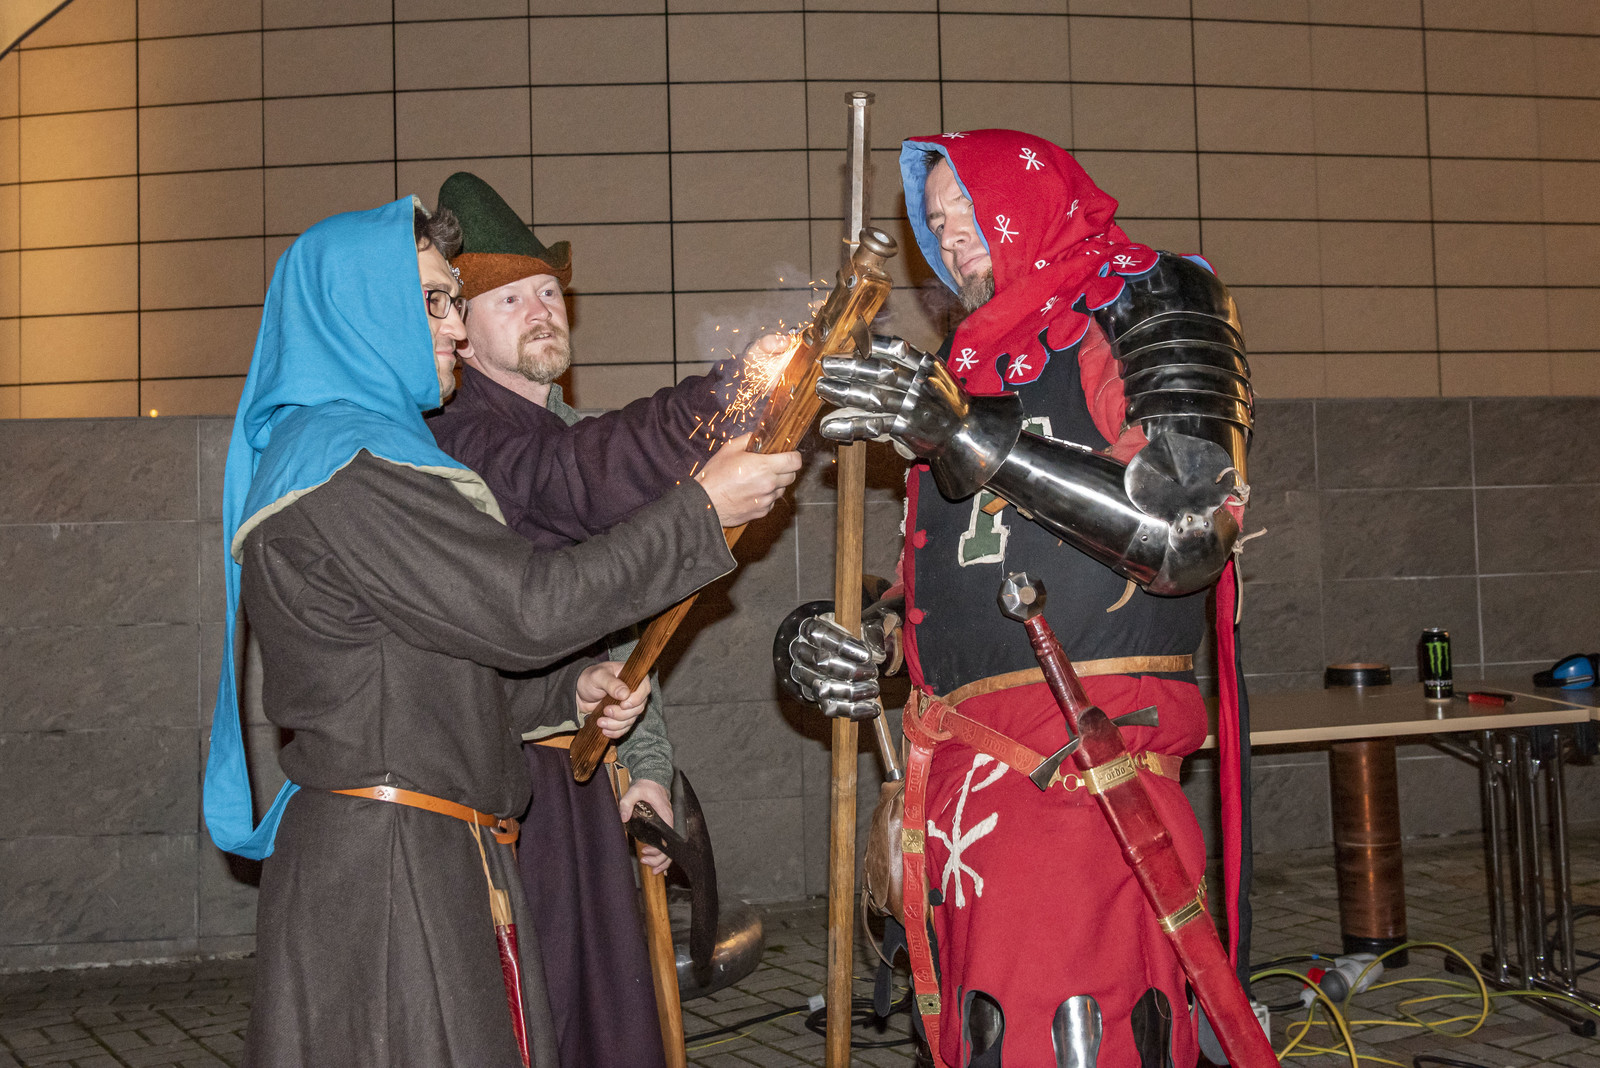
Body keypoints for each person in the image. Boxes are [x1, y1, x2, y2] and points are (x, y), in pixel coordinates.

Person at [203, 195, 796, 1067]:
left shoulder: (356, 453)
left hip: (419, 844)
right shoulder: (349, 467)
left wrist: (563, 691)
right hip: (393, 864)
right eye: (434, 302)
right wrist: (702, 511)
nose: (453, 327)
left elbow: (420, 665)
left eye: (451, 301)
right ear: (359, 308)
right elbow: (528, 609)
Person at [782, 130, 1253, 1067]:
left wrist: (964, 436)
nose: (949, 238)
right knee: (982, 1037)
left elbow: (1188, 534)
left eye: (967, 209)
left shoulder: (1147, 293)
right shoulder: (967, 367)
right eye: (936, 222)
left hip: (1083, 764)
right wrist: (860, 637)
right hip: (963, 781)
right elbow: (959, 579)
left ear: (1028, 197)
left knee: (1079, 1028)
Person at [423, 172, 799, 1067]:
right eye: (509, 298)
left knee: (609, 1029)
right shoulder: (459, 438)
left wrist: (646, 769)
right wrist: (736, 392)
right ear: (460, 326)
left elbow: (622, 631)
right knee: (538, 1029)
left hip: (587, 776)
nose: (541, 311)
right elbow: (576, 484)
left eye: (549, 293)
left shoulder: (560, 435)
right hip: (508, 790)